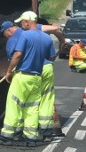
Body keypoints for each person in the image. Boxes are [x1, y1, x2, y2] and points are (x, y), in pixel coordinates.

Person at [0, 17, 56, 147]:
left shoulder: (15, 39)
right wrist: (61, 41)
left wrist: (9, 71)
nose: (5, 37)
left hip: (24, 74)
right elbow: (52, 52)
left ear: (9, 31)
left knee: (15, 103)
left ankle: (9, 135)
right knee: (34, 106)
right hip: (41, 73)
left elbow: (16, 56)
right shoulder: (42, 35)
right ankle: (33, 137)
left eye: (4, 34)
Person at [16, 11, 65, 140]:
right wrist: (62, 42)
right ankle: (46, 130)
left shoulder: (31, 30)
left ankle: (25, 129)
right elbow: (56, 29)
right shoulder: (44, 36)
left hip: (33, 70)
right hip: (46, 68)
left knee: (30, 100)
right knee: (46, 99)